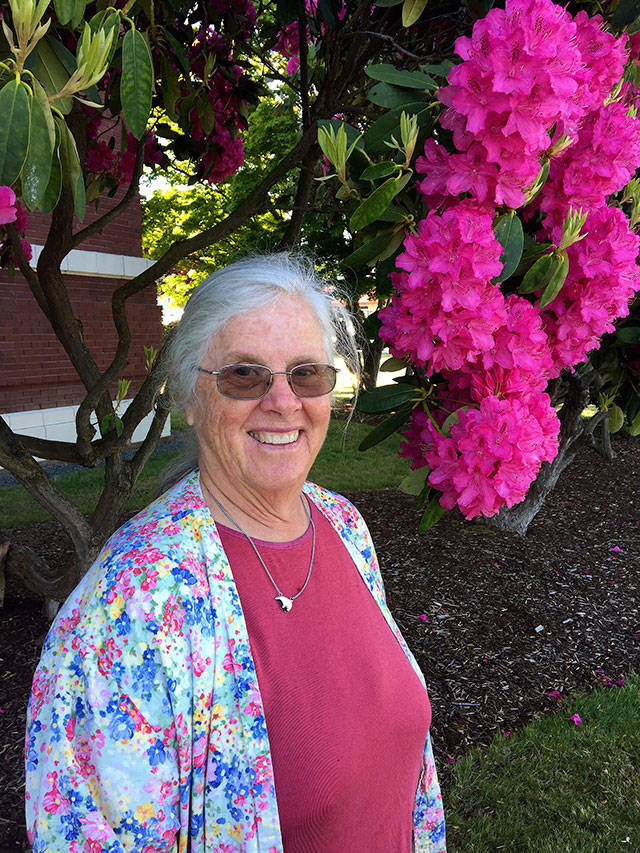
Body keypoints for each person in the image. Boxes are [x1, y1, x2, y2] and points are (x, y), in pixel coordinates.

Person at [25, 254, 446, 852]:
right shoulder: (129, 604)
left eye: (306, 374)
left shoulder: (343, 526)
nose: (282, 400)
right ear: (190, 399)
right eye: (244, 376)